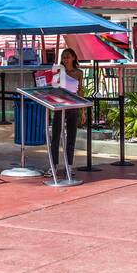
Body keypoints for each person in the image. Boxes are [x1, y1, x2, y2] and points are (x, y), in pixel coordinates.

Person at [48, 47, 84, 177]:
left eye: (68, 56)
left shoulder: (79, 72)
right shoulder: (59, 72)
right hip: (60, 106)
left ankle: (69, 166)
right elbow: (53, 87)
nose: (65, 59)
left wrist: (83, 110)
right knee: (56, 137)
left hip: (73, 106)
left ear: (73, 58)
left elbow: (80, 90)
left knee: (71, 137)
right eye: (64, 57)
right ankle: (54, 166)